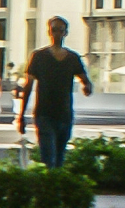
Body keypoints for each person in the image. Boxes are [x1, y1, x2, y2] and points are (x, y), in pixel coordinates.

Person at [18, 16, 93, 168]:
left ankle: (55, 188)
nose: (57, 33)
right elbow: (28, 86)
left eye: (60, 30)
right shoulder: (39, 57)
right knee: (49, 158)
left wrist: (87, 87)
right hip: (44, 114)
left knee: (59, 158)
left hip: (64, 114)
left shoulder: (73, 58)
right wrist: (21, 115)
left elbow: (86, 81)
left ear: (66, 33)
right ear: (49, 32)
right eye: (54, 30)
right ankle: (49, 187)